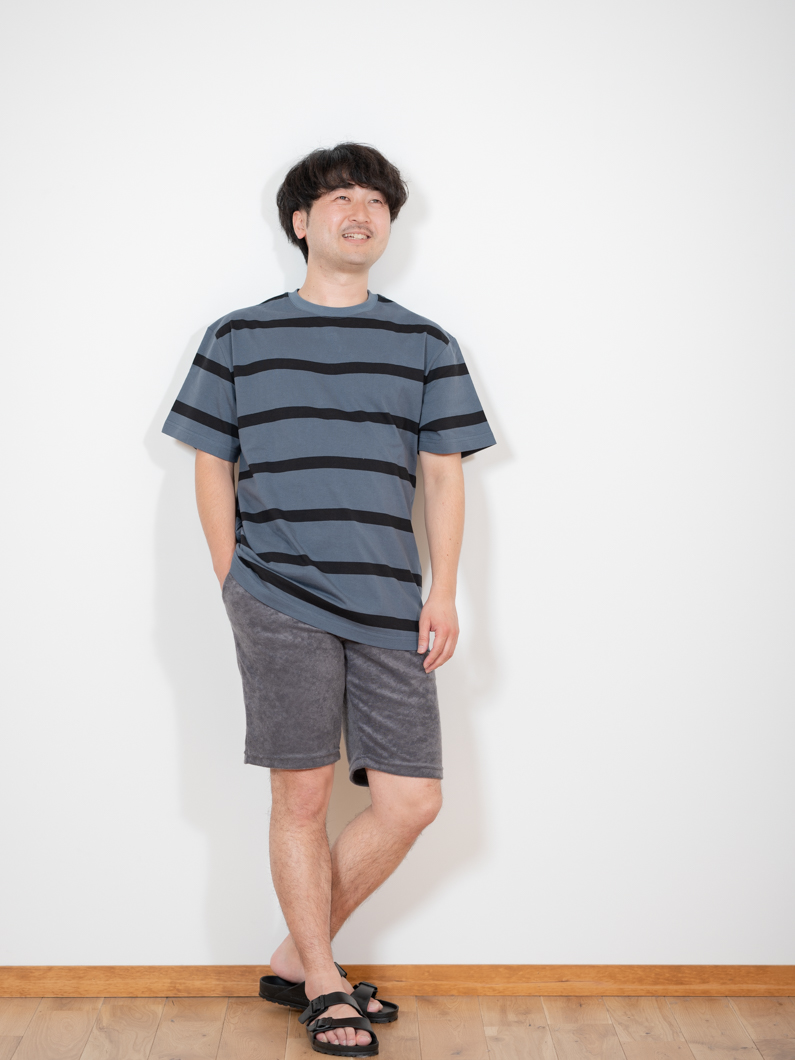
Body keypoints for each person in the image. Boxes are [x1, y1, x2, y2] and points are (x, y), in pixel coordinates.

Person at [161, 143, 496, 1056]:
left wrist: (443, 593)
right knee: (301, 797)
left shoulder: (425, 343)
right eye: (340, 197)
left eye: (377, 201)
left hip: (390, 601)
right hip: (277, 594)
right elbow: (211, 461)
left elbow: (444, 475)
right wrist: (233, 576)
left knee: (411, 800)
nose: (361, 211)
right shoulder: (238, 335)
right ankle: (323, 982)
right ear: (301, 221)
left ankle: (294, 958)